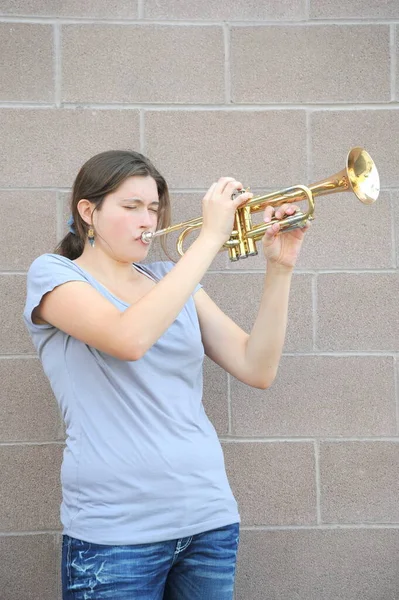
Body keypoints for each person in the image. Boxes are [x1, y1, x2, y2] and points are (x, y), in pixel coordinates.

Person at [23, 150, 308, 600]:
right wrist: (209, 239)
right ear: (88, 212)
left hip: (208, 520)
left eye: (154, 208)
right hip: (115, 534)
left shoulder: (169, 278)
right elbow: (127, 339)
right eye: (131, 206)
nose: (148, 221)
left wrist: (280, 267)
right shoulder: (53, 275)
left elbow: (258, 367)